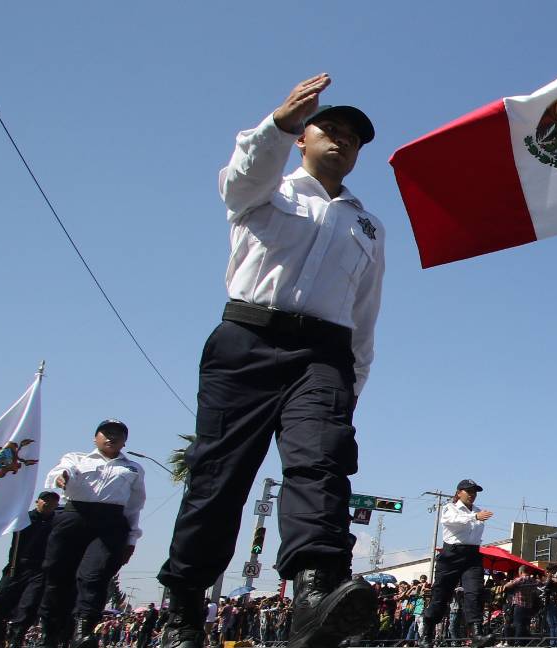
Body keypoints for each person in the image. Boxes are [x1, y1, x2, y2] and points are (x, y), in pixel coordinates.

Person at [155, 74, 384, 648]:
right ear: (302, 138)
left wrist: (352, 385)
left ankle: (313, 594)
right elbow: (244, 171)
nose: (343, 139)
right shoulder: (265, 189)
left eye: (354, 137)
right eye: (330, 128)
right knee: (218, 476)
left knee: (322, 462)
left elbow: (364, 312)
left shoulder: (368, 226)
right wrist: (276, 124)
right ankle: (184, 608)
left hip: (324, 357)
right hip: (247, 342)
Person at [39, 419, 146, 648]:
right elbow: (61, 471)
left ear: (125, 442)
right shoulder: (76, 458)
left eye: (118, 434)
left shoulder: (133, 469)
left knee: (94, 576)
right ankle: (50, 631)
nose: (111, 437)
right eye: (106, 433)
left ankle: (84, 629)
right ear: (95, 438)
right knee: (57, 576)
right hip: (74, 517)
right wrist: (61, 477)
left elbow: (134, 507)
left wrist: (131, 539)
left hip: (111, 524)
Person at [421, 480, 494, 648]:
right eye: (469, 491)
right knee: (441, 595)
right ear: (459, 492)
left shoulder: (478, 511)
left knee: (475, 592)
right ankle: (426, 634)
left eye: (474, 492)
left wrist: (476, 516)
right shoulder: (450, 508)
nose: (472, 495)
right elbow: (451, 520)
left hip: (472, 555)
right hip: (452, 554)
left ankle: (477, 634)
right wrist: (474, 517)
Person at [0, 491, 58, 648]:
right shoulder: (23, 518)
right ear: (37, 501)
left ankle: (17, 636)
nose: (48, 503)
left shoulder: (57, 522)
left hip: (39, 569)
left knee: (29, 604)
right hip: (17, 566)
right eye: (45, 500)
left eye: (52, 501)